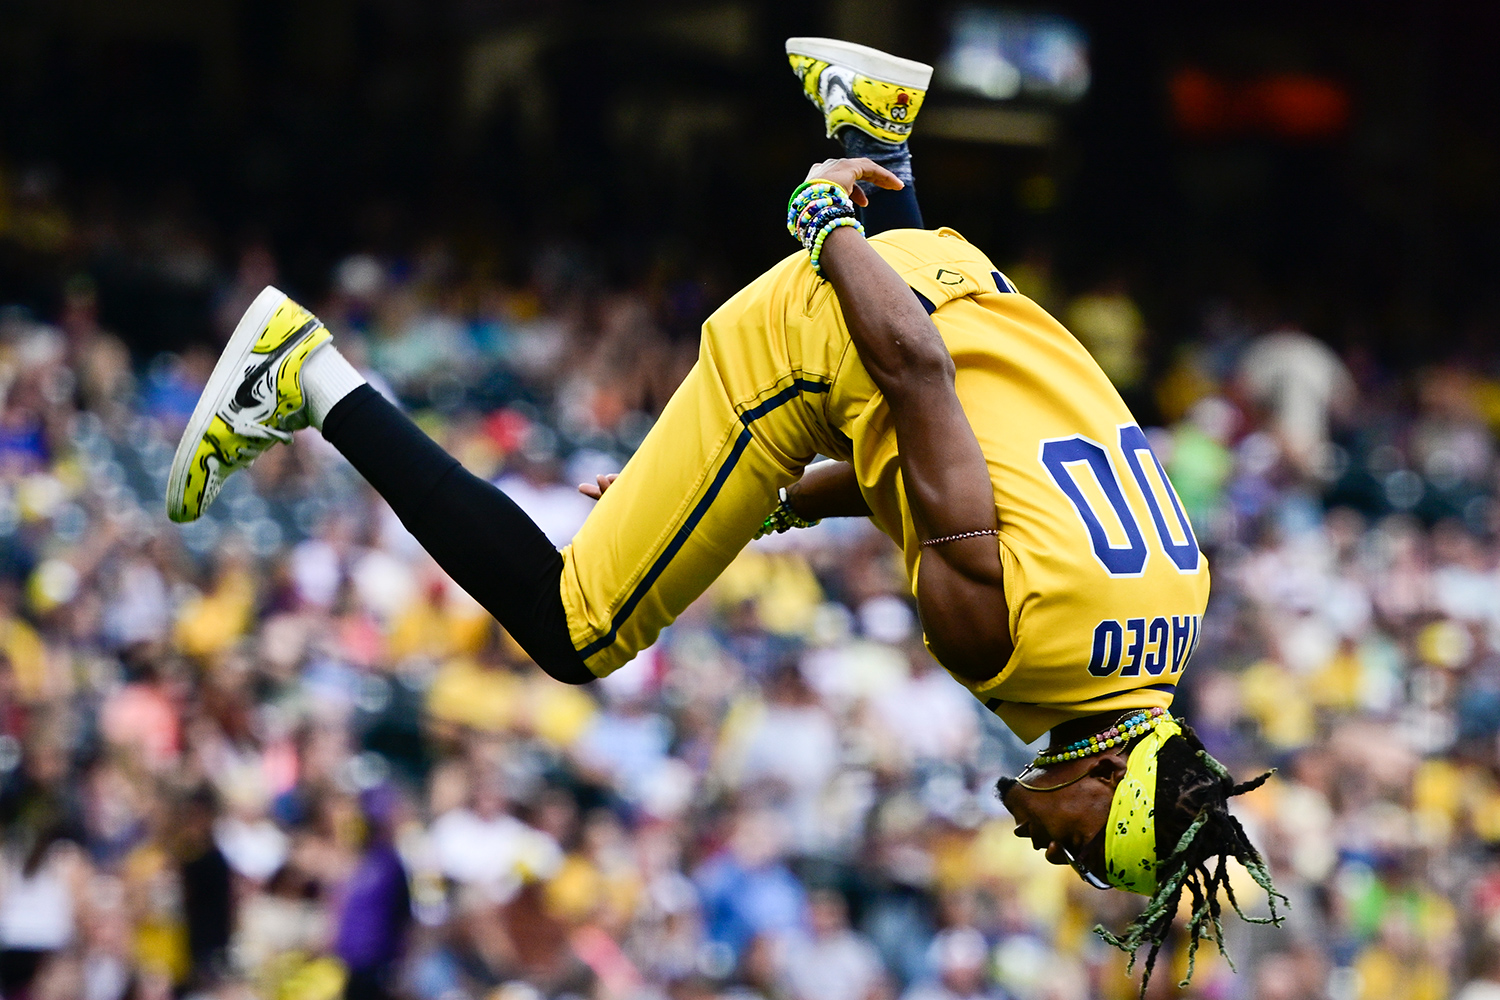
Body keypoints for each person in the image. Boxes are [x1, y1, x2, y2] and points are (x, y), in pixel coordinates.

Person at [164, 37, 1281, 992]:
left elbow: (968, 467)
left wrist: (769, 509)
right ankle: (302, 376)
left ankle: (882, 133)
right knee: (576, 628)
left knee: (858, 416)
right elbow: (917, 383)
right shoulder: (1009, 649)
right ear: (1104, 782)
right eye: (1089, 851)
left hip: (951, 278)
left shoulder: (1175, 607)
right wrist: (821, 223)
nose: (1057, 857)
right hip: (857, 319)